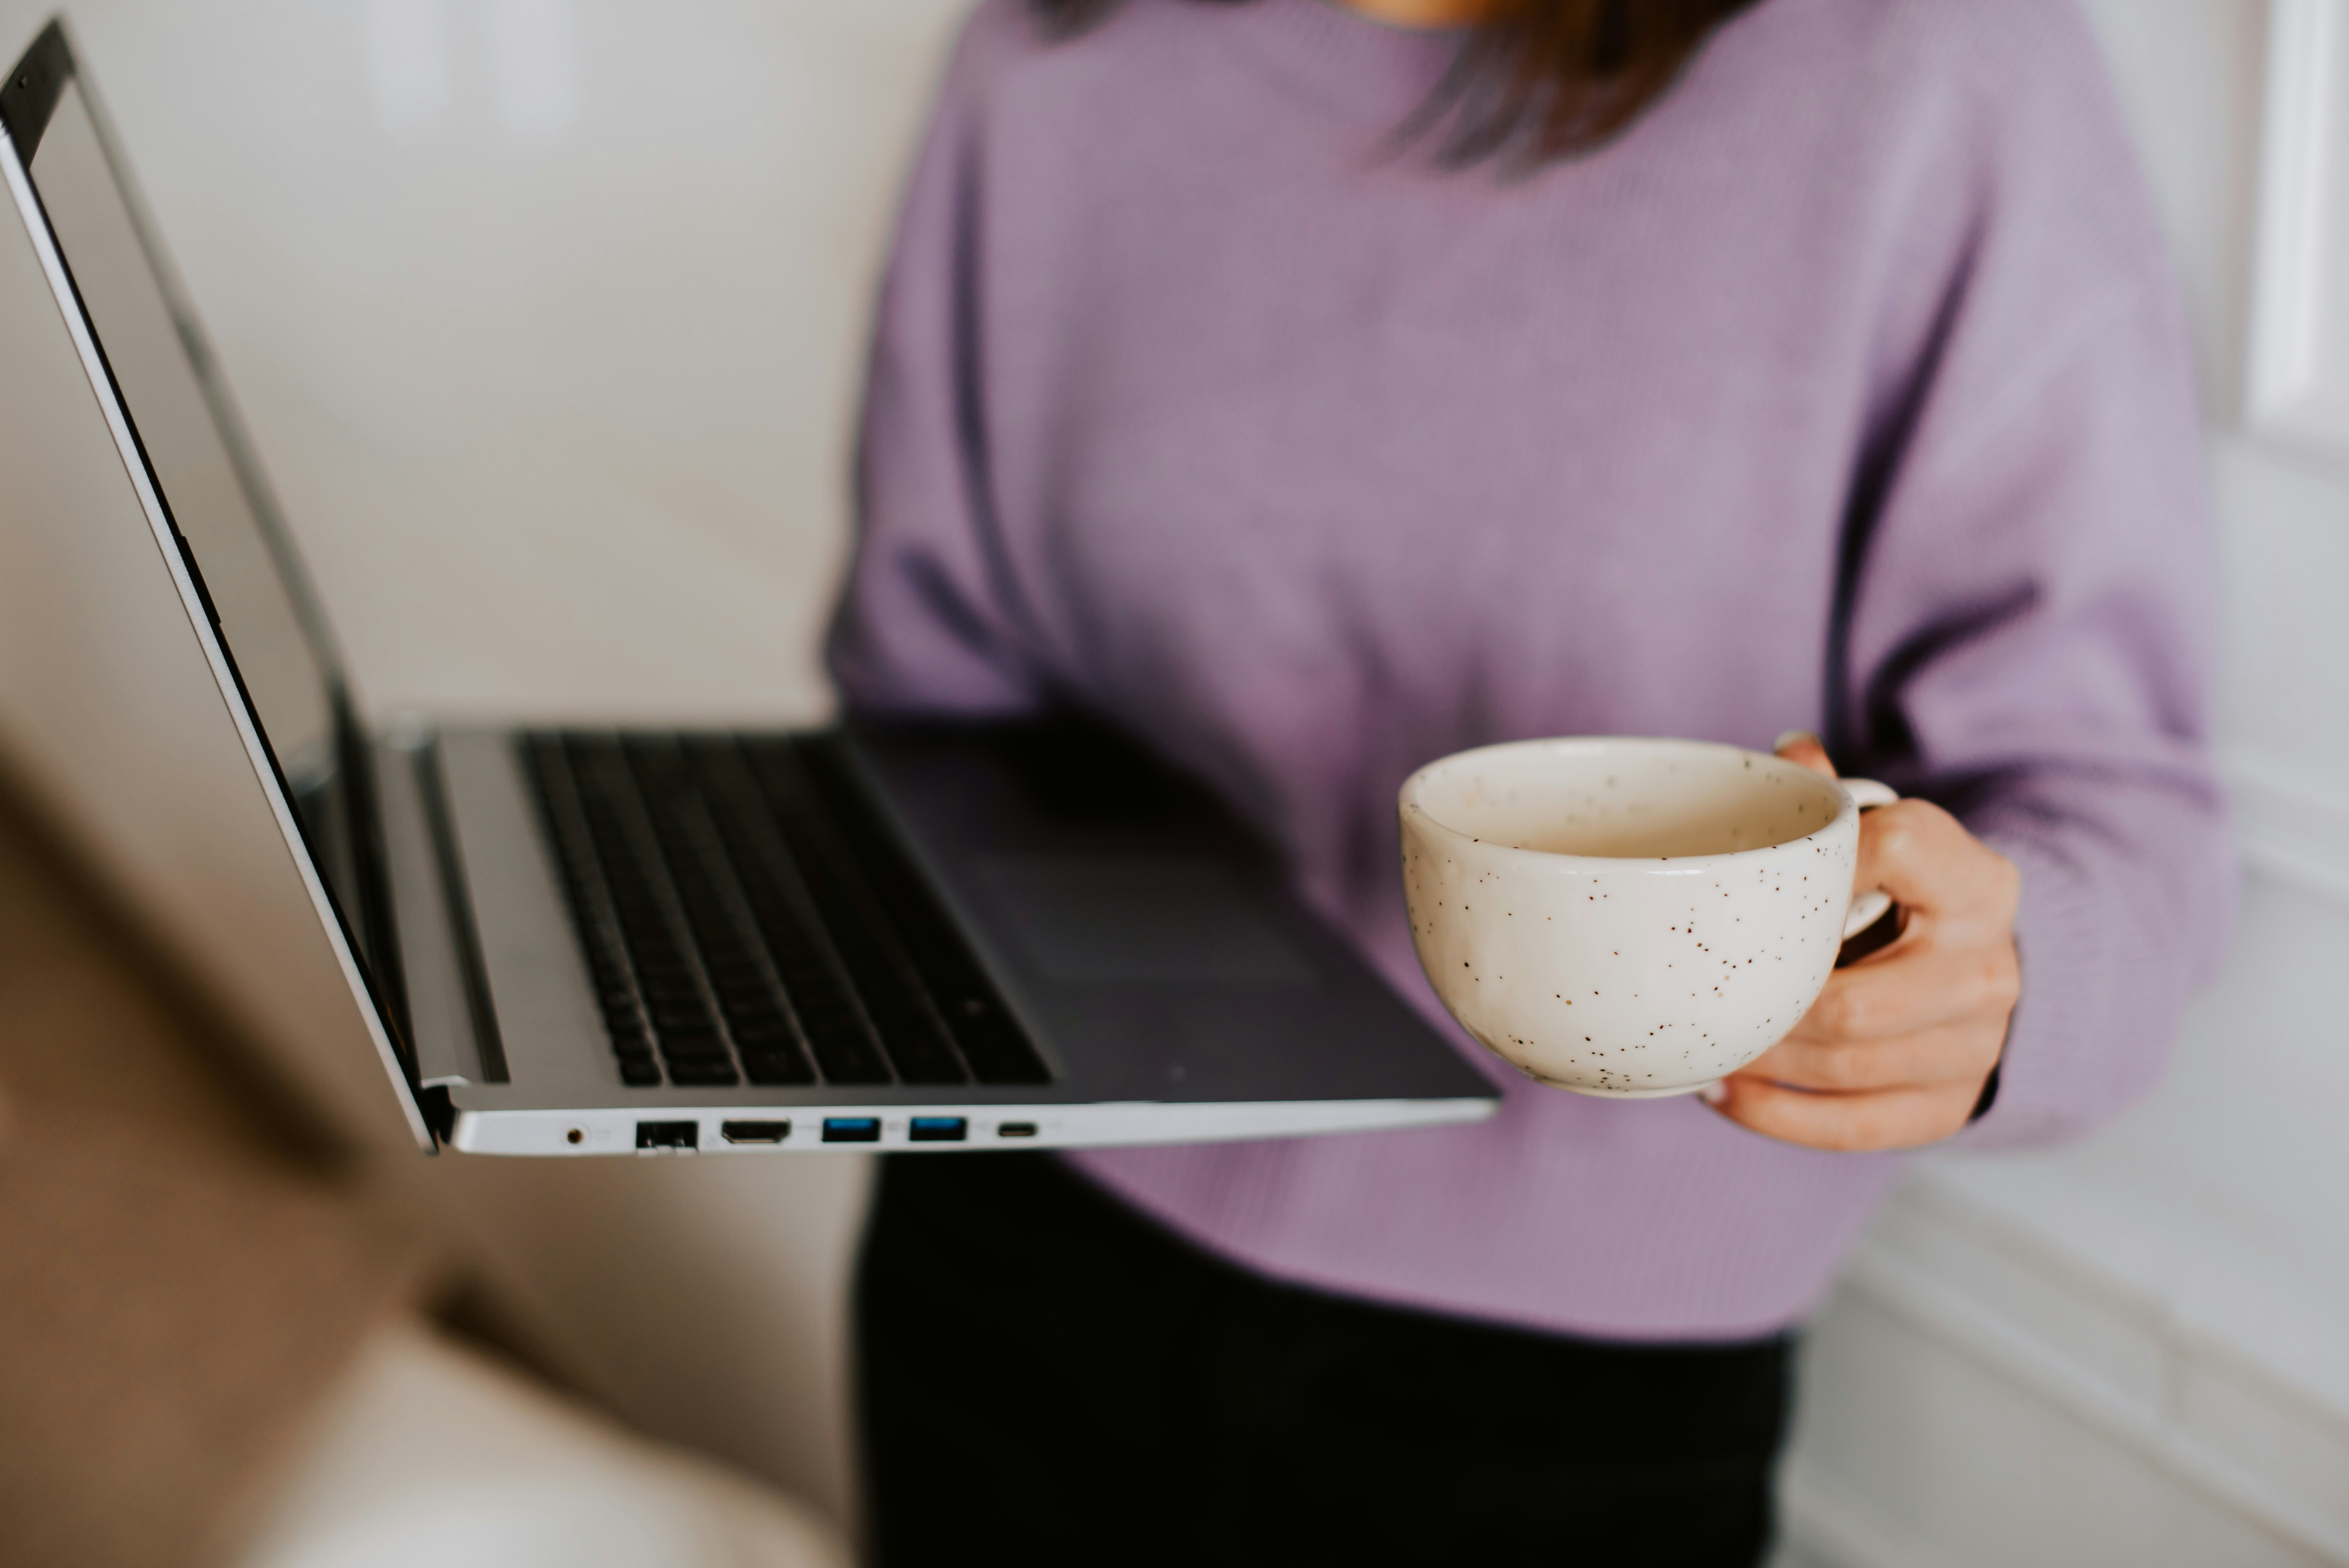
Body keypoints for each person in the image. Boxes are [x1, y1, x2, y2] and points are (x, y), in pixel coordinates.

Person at [827, 0, 2235, 1561]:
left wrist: (1995, 984)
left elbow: (2114, 807)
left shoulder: (1933, 61)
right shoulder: (1052, 49)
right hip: (1017, 1234)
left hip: (1564, 1396)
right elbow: (928, 688)